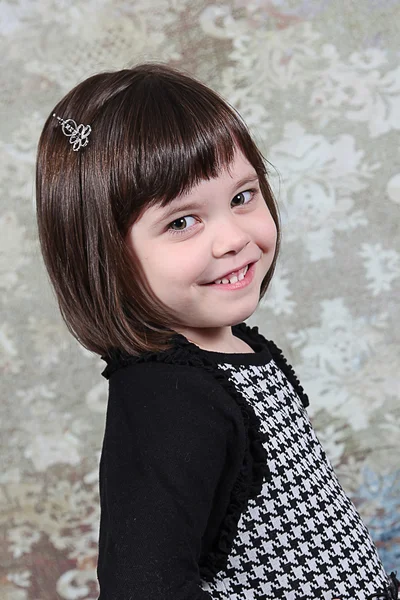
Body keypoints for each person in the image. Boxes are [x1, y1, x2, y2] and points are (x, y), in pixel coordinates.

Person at [35, 63, 398, 600]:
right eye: (182, 221)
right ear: (104, 257)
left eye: (242, 196)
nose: (232, 237)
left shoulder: (234, 352)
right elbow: (142, 584)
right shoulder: (168, 397)